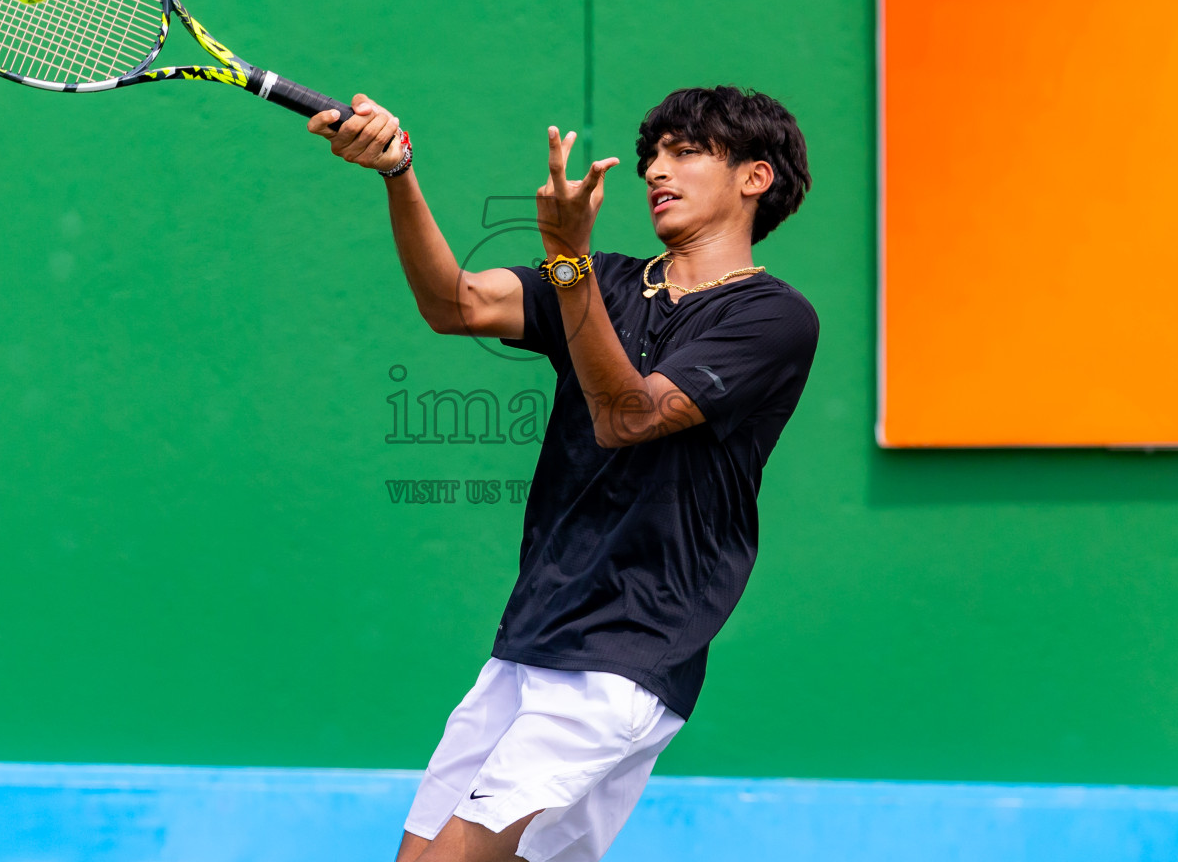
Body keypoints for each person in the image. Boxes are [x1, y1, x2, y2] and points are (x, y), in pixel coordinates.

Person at [307, 86, 819, 862]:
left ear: (755, 177)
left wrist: (569, 264)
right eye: (652, 153)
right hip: (533, 636)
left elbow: (630, 417)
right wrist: (398, 172)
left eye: (685, 152)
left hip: (627, 653)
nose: (655, 168)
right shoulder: (608, 281)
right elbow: (457, 303)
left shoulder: (773, 318)